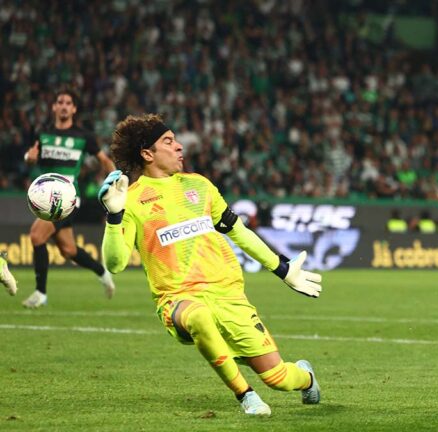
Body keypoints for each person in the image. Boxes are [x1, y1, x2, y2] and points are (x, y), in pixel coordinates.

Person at [98, 114, 322, 416]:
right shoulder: (130, 200)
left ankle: (306, 377)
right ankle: (246, 396)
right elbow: (115, 263)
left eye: (176, 140)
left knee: (278, 378)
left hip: (229, 295)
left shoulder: (199, 186)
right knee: (199, 317)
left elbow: (238, 232)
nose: (179, 147)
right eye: (168, 141)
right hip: (176, 298)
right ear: (147, 153)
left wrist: (282, 269)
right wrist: (114, 216)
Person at [21, 89, 116, 308]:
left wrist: (114, 180)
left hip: (68, 196)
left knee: (36, 236)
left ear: (74, 109)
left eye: (68, 103)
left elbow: (104, 160)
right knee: (69, 251)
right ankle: (103, 273)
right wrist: (29, 158)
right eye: (60, 102)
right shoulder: (42, 133)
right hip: (47, 194)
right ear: (54, 107)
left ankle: (40, 293)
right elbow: (30, 157)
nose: (64, 106)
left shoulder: (83, 136)